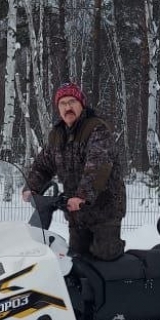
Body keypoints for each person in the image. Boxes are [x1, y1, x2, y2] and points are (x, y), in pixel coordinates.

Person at [23, 82, 126, 261]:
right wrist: (31, 187)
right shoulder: (57, 135)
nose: (67, 107)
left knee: (104, 256)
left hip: (105, 209)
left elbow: (98, 165)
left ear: (81, 104)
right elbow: (43, 165)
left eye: (72, 102)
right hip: (77, 213)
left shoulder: (96, 130)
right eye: (63, 103)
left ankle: (127, 280)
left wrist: (82, 196)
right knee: (77, 261)